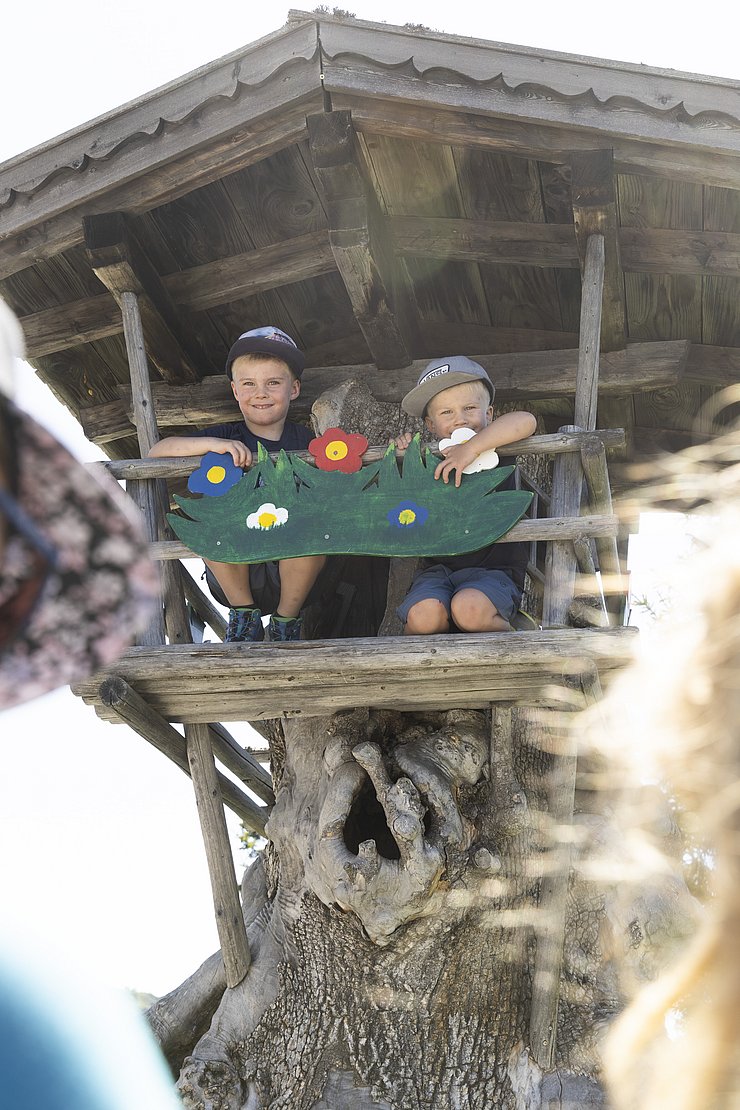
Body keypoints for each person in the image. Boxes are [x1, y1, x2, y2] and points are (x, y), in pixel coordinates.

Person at [148, 326, 326, 643]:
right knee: (211, 510)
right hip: (236, 575)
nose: (261, 392)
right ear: (235, 391)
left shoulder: (307, 442)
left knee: (316, 520)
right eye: (249, 384)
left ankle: (286, 623)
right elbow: (155, 453)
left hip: (297, 575)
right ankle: (244, 619)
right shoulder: (228, 437)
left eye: (273, 383)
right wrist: (211, 445)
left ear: (294, 389)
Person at [396, 356, 537, 635]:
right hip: (438, 572)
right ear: (430, 424)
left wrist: (472, 448)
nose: (460, 418)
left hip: (495, 570)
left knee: (469, 611)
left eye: (470, 408)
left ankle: (515, 635)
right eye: (446, 412)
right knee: (424, 618)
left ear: (490, 414)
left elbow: (526, 420)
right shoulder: (431, 457)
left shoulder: (498, 447)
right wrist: (402, 454)